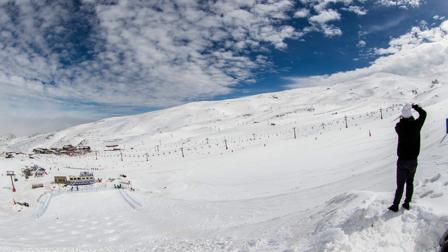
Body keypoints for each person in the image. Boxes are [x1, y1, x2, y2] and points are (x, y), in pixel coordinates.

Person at [388, 103, 426, 212]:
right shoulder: (417, 125)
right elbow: (423, 114)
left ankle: (395, 205)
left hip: (402, 161)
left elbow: (397, 125)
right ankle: (407, 203)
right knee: (410, 182)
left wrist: (403, 118)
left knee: (400, 185)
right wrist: (415, 107)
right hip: (413, 161)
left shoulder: (400, 127)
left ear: (403, 116)